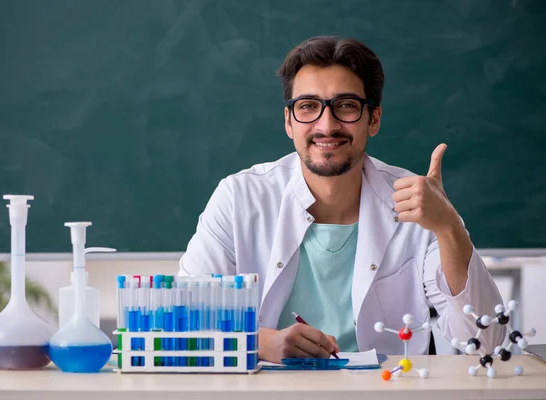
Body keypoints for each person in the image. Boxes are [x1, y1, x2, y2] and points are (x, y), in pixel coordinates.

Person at [178, 36, 505, 363]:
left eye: (346, 106)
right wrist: (259, 344)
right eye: (307, 107)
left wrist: (449, 227)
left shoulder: (418, 203)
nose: (326, 125)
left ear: (373, 119)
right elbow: (184, 322)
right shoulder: (241, 198)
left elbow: (485, 339)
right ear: (289, 121)